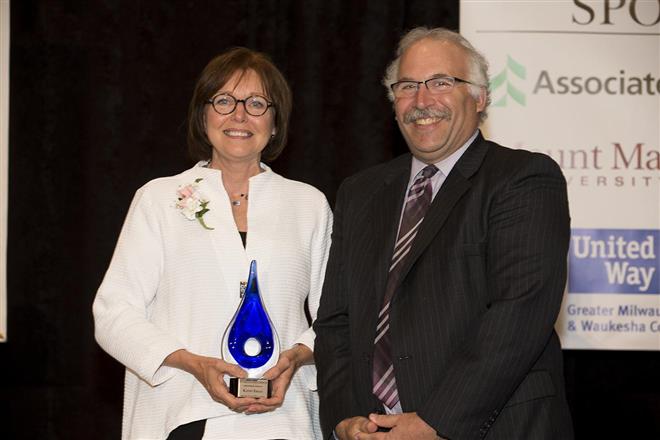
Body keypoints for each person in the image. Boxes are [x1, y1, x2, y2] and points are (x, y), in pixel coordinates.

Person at [314, 27, 574, 440]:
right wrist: (345, 416)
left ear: (480, 96)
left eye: (441, 83)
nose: (422, 101)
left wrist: (435, 421)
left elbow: (519, 311)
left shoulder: (523, 179)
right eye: (407, 86)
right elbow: (335, 320)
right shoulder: (360, 192)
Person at [93, 47, 332, 440]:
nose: (239, 115)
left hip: (283, 418)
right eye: (224, 101)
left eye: (256, 103)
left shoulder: (308, 204)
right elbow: (114, 313)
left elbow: (336, 317)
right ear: (203, 116)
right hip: (184, 414)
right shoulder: (159, 198)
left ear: (275, 122)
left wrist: (298, 356)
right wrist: (193, 364)